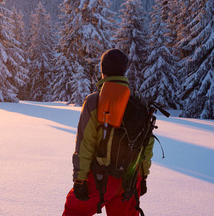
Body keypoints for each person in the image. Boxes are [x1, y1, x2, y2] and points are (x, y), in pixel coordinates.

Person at [62, 49, 154, 216]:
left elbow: (85, 143)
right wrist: (143, 176)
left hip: (99, 179)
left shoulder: (94, 101)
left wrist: (80, 179)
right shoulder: (139, 101)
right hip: (130, 180)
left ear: (102, 69)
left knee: (73, 212)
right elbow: (147, 144)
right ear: (124, 70)